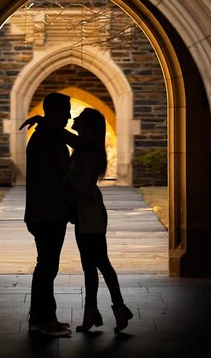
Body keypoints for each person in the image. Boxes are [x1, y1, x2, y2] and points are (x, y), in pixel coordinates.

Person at [69, 107, 133, 334]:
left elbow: (81, 186)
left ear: (88, 126)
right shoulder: (83, 147)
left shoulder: (90, 154)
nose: (73, 119)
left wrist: (62, 177)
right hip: (83, 212)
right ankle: (94, 311)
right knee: (89, 265)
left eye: (79, 119)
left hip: (91, 214)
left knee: (100, 263)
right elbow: (62, 134)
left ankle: (117, 308)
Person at [23, 92, 74, 336]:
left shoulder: (46, 134)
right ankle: (44, 322)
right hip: (48, 212)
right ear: (54, 111)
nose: (69, 116)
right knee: (47, 267)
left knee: (46, 266)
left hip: (45, 212)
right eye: (65, 111)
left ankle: (41, 318)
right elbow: (59, 175)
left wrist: (46, 122)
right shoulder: (46, 138)